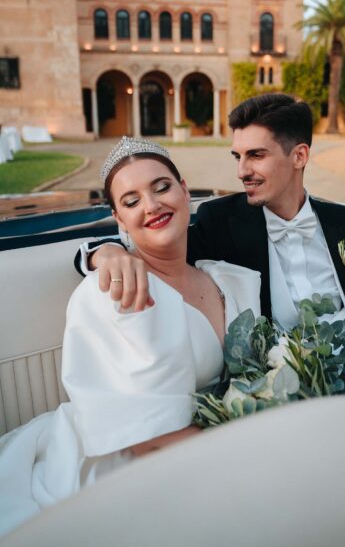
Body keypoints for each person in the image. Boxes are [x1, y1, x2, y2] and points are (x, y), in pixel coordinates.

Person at [78, 94, 345, 406]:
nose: (241, 171)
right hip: (284, 395)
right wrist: (106, 252)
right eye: (237, 156)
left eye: (255, 156)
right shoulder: (221, 222)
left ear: (299, 156)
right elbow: (159, 245)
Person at [0, 139, 261, 537]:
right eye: (131, 200)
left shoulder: (227, 278)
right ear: (118, 218)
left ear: (184, 189)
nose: (152, 206)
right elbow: (144, 438)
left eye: (161, 187)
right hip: (129, 462)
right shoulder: (111, 293)